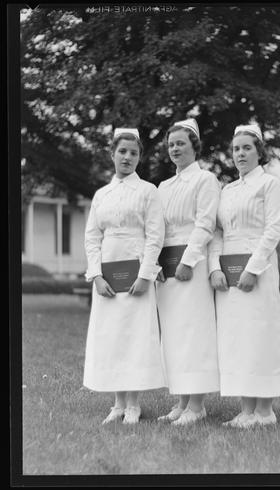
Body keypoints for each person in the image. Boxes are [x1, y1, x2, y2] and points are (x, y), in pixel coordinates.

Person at [209, 123, 280, 429]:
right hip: (229, 273)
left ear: (260, 152)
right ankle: (246, 409)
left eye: (247, 147)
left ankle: (265, 411)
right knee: (236, 339)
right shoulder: (227, 190)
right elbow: (217, 232)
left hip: (258, 270)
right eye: (236, 149)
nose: (240, 153)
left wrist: (253, 269)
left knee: (260, 336)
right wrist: (215, 267)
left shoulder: (271, 185)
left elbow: (273, 230)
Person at [83, 128, 166, 425]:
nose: (127, 157)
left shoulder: (147, 191)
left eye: (133, 153)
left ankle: (134, 404)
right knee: (112, 339)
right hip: (107, 277)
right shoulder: (101, 195)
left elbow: (155, 236)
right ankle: (117, 403)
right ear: (112, 154)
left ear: (139, 157)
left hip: (136, 275)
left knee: (134, 337)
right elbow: (92, 237)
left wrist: (146, 275)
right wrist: (96, 275)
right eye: (122, 151)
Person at [156, 118, 220, 426]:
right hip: (166, 266)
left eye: (181, 143)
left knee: (193, 332)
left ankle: (197, 405)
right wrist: (156, 263)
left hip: (191, 266)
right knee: (173, 334)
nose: (175, 148)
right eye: (171, 144)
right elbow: (158, 229)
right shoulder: (163, 187)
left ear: (194, 146)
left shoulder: (205, 180)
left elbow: (206, 223)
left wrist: (189, 260)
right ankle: (180, 402)